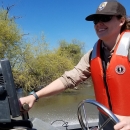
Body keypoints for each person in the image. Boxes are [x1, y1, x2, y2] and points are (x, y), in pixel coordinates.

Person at [19, 1, 130, 130]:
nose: (99, 23)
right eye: (96, 20)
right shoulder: (93, 54)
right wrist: (34, 96)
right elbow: (69, 79)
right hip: (106, 122)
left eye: (105, 18)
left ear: (121, 21)